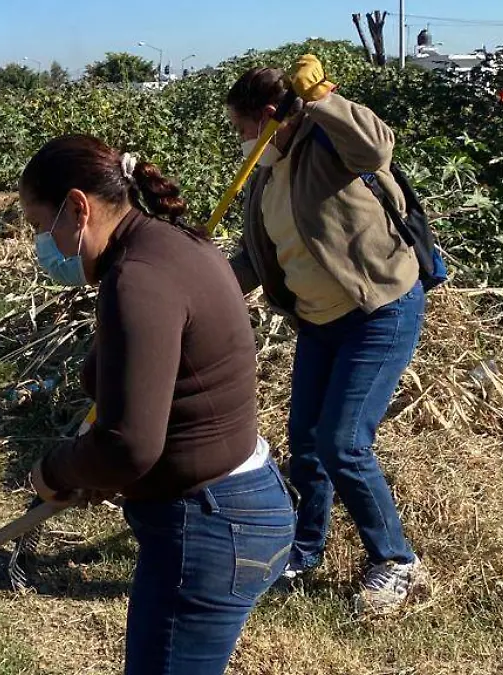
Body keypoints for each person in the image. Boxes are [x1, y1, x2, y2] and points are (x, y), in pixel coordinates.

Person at [24, 134, 293, 674]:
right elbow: (157, 406)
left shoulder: (137, 280)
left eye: (40, 227)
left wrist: (53, 470)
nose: (41, 245)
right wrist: (100, 470)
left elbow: (128, 445)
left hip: (212, 523)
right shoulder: (170, 246)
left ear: (78, 208)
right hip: (239, 503)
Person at [226, 56, 429, 616]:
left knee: (343, 441)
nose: (242, 141)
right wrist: (209, 287)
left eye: (244, 128)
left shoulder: (328, 141)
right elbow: (257, 256)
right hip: (318, 321)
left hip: (379, 311)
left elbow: (378, 147)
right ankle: (304, 550)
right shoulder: (266, 172)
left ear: (270, 115)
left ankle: (396, 562)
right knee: (308, 441)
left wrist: (321, 97)